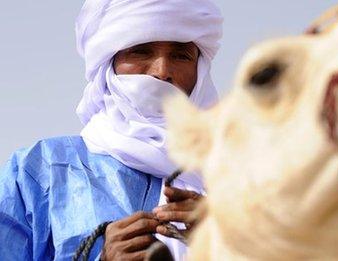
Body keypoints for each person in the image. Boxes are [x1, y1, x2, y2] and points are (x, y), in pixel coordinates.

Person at [0, 0, 223, 260]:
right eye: (141, 51)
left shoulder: (242, 183)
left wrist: (232, 242)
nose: (162, 72)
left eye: (180, 55)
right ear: (109, 63)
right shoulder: (39, 171)